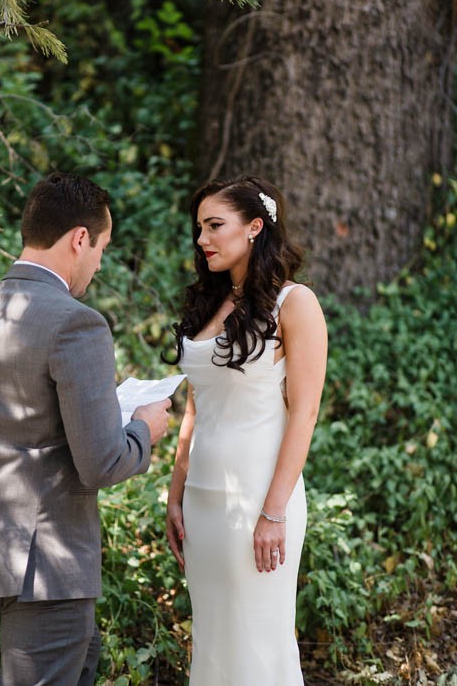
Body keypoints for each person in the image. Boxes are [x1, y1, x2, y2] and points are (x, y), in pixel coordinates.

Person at [0, 172, 171, 686]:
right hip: (48, 564)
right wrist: (141, 429)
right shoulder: (75, 323)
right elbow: (101, 463)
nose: (99, 263)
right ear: (79, 239)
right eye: (102, 247)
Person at [165, 175, 327, 685]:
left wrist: (274, 512)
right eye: (199, 228)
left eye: (215, 226)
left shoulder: (295, 304)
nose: (202, 239)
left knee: (259, 639)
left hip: (261, 499)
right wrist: (175, 492)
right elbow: (196, 406)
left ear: (255, 227)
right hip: (203, 503)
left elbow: (304, 413)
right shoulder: (210, 303)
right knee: (213, 642)